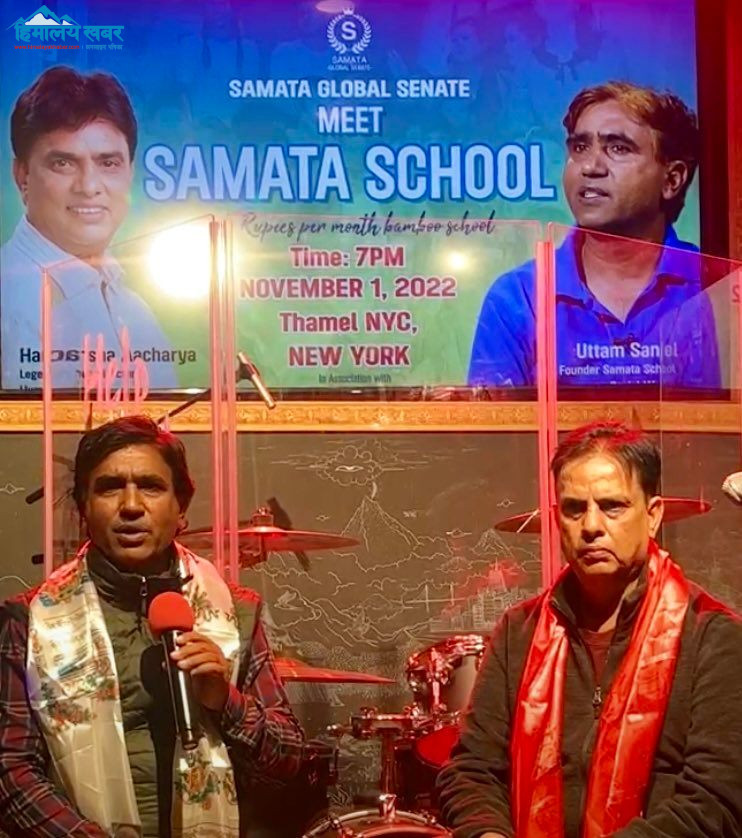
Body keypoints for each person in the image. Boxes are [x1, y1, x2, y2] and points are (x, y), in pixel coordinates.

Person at [0, 416, 305, 836]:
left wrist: (226, 701)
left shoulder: (236, 612)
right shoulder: (30, 619)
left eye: (150, 486)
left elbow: (289, 758)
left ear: (181, 508)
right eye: (109, 487)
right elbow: (11, 770)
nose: (131, 506)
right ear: (83, 507)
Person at [437, 421, 742, 837]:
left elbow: (714, 803)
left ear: (653, 515)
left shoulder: (714, 636)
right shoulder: (519, 632)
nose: (591, 526)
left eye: (612, 506)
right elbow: (472, 770)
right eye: (574, 509)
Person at [468, 82, 721, 390]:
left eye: (618, 148)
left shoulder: (717, 288)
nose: (590, 166)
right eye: (580, 147)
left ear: (671, 180)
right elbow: (494, 420)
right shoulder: (518, 297)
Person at [1, 66, 179, 392]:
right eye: (63, 163)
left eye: (108, 163)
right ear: (22, 176)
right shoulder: (10, 301)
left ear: (130, 173)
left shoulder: (136, 311)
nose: (89, 186)